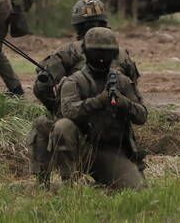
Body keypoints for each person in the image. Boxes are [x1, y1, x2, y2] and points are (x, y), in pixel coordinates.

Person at [28, 0, 140, 185]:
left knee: (44, 124)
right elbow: (134, 94)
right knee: (133, 187)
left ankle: (45, 182)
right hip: (112, 140)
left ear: (77, 26)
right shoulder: (122, 55)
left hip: (75, 135)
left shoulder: (68, 51)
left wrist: (60, 106)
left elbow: (41, 87)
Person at [51, 27, 147, 189]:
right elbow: (68, 111)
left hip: (110, 151)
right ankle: (69, 183)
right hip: (81, 148)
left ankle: (101, 183)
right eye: (97, 53)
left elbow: (142, 116)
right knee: (63, 126)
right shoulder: (74, 82)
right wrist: (98, 101)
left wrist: (124, 103)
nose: (101, 58)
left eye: (106, 53)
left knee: (137, 189)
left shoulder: (122, 81)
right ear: (86, 53)